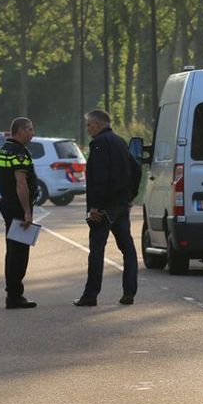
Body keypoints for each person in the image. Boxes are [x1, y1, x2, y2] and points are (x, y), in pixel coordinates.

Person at [73, 109, 139, 307]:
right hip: (121, 206)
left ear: (99, 124)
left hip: (104, 208)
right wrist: (131, 196)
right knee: (127, 249)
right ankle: (129, 292)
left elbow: (100, 178)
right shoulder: (120, 142)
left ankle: (90, 295)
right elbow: (135, 168)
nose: (88, 129)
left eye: (89, 125)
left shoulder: (99, 144)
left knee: (96, 251)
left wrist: (95, 206)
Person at [0, 117, 38, 310]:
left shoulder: (4, 149)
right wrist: (27, 211)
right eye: (29, 129)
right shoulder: (19, 152)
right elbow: (21, 184)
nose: (32, 133)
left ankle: (12, 293)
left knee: (11, 251)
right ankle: (15, 296)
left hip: (7, 204)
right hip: (18, 207)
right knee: (20, 253)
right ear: (20, 131)